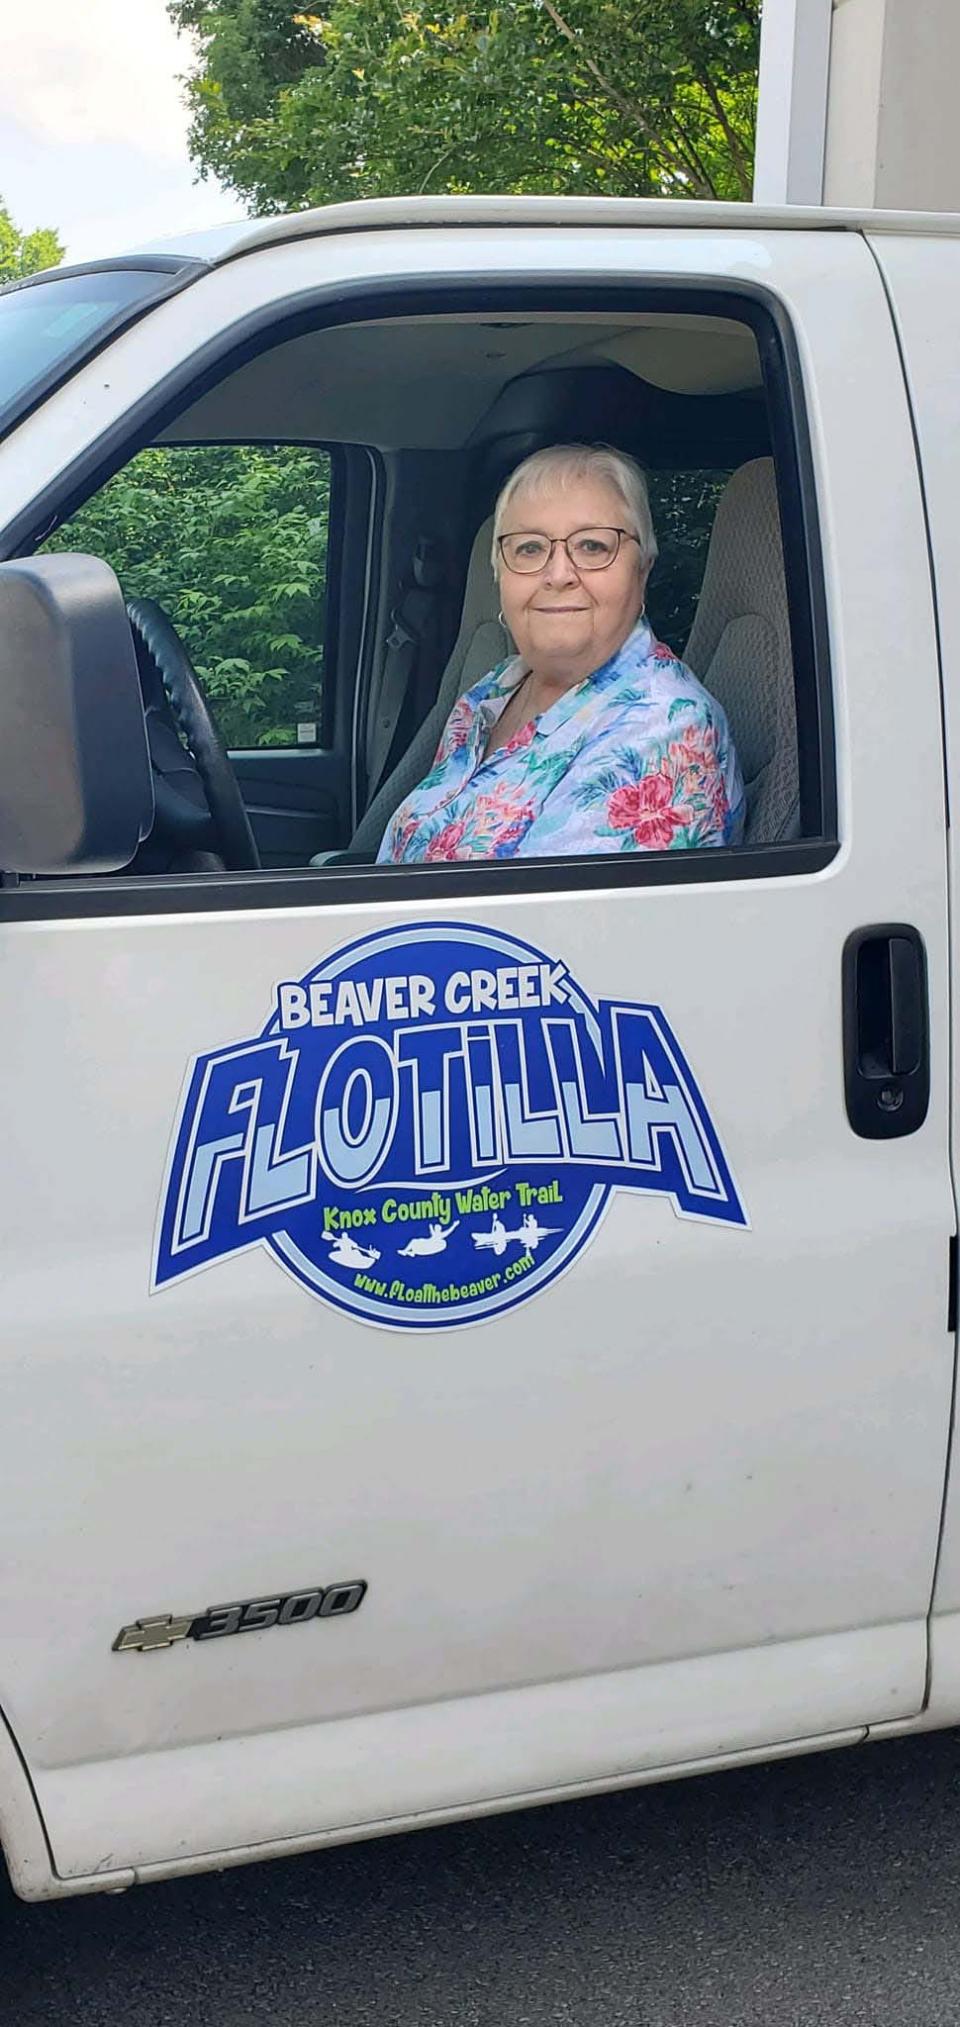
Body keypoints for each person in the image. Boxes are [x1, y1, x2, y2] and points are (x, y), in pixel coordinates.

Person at [377, 443, 745, 864]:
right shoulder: (494, 691)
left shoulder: (662, 729)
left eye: (592, 546)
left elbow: (547, 927)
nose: (558, 575)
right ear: (499, 573)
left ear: (642, 570)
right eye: (529, 548)